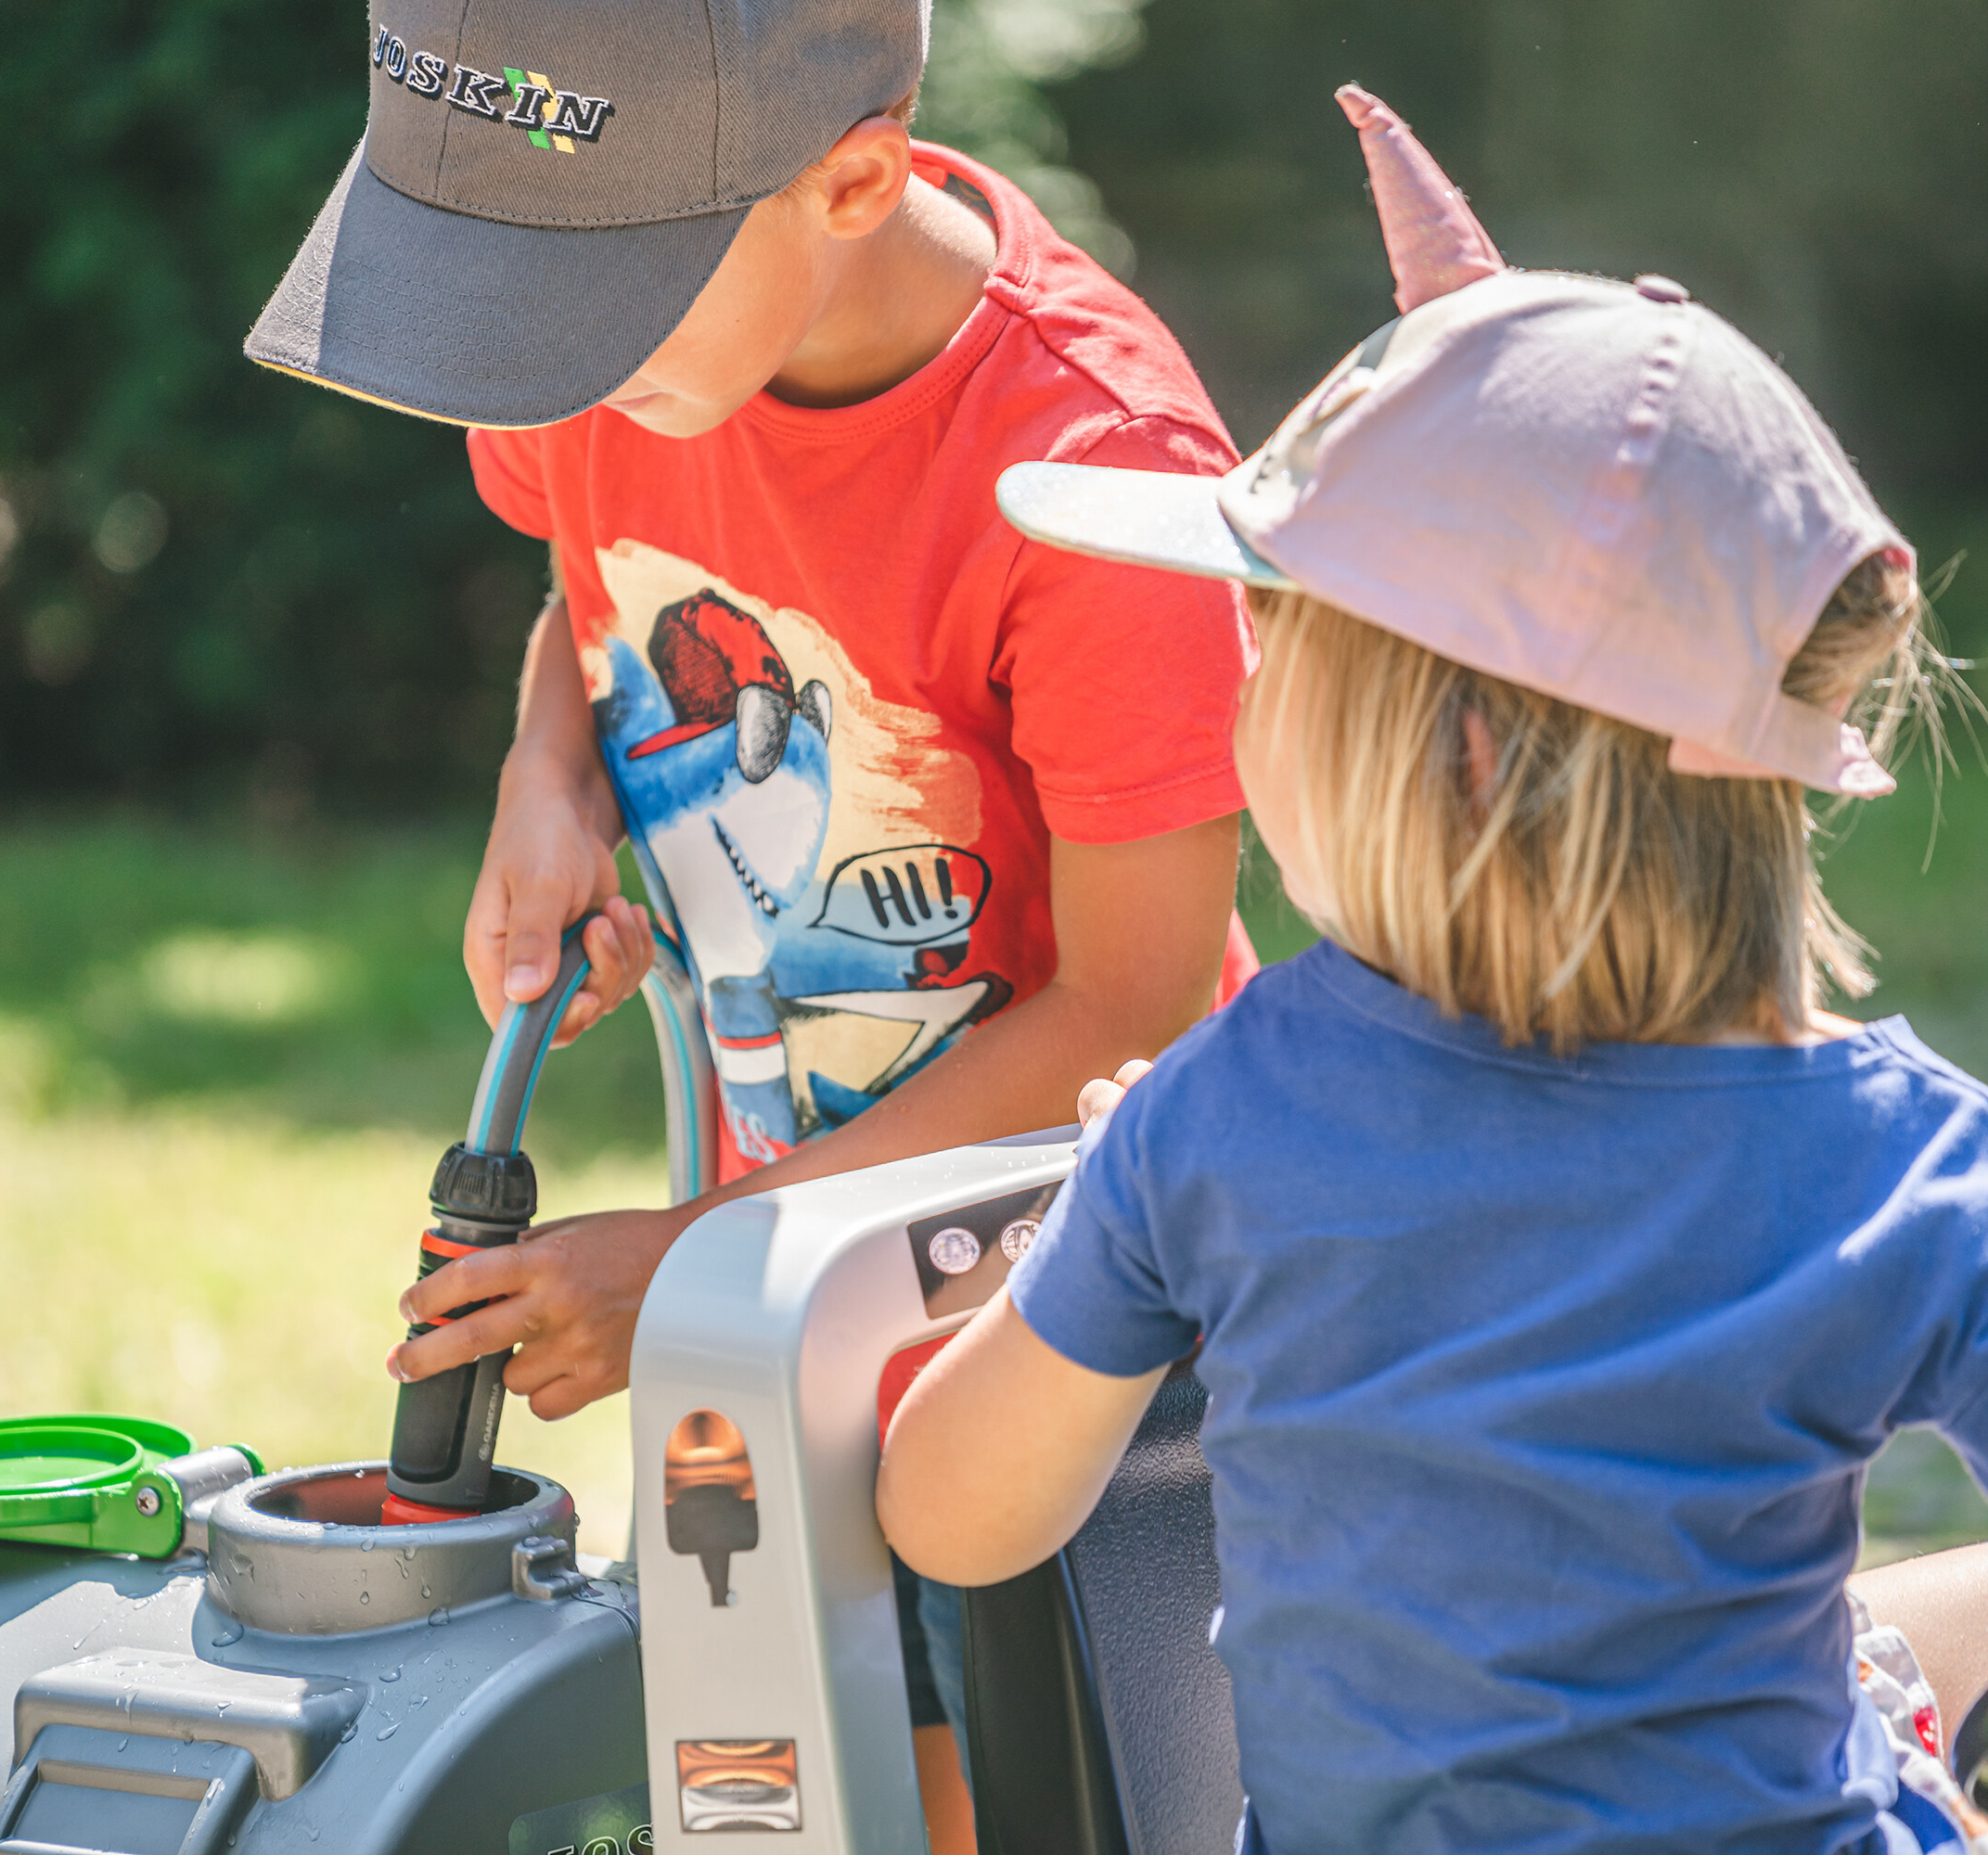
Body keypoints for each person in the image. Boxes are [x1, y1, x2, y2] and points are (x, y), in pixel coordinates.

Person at [878, 86, 1988, 1855]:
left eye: (1265, 647)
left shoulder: (1222, 1116)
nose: (1233, 703)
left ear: (1433, 753)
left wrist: (1097, 1231)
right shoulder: (1923, 1168)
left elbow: (951, 1520)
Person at [243, 3, 1258, 1844]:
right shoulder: (632, 356)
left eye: (582, 321)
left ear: (850, 180)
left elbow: (1140, 1003)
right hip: (769, 1302)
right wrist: (545, 778)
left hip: (1088, 1354)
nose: (540, 373)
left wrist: (695, 1258)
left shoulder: (1100, 476)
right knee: (778, 1792)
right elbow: (587, 585)